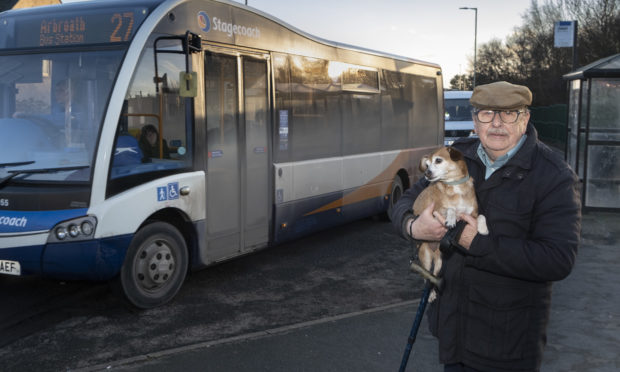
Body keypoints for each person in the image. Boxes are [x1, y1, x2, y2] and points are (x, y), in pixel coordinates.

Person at [391, 81, 581, 372]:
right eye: (487, 113)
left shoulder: (553, 175)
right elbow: (406, 200)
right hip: (452, 333)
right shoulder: (457, 156)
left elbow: (557, 259)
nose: (496, 123)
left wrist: (474, 242)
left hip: (508, 345)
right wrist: (414, 227)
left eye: (508, 114)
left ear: (525, 118)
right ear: (474, 120)